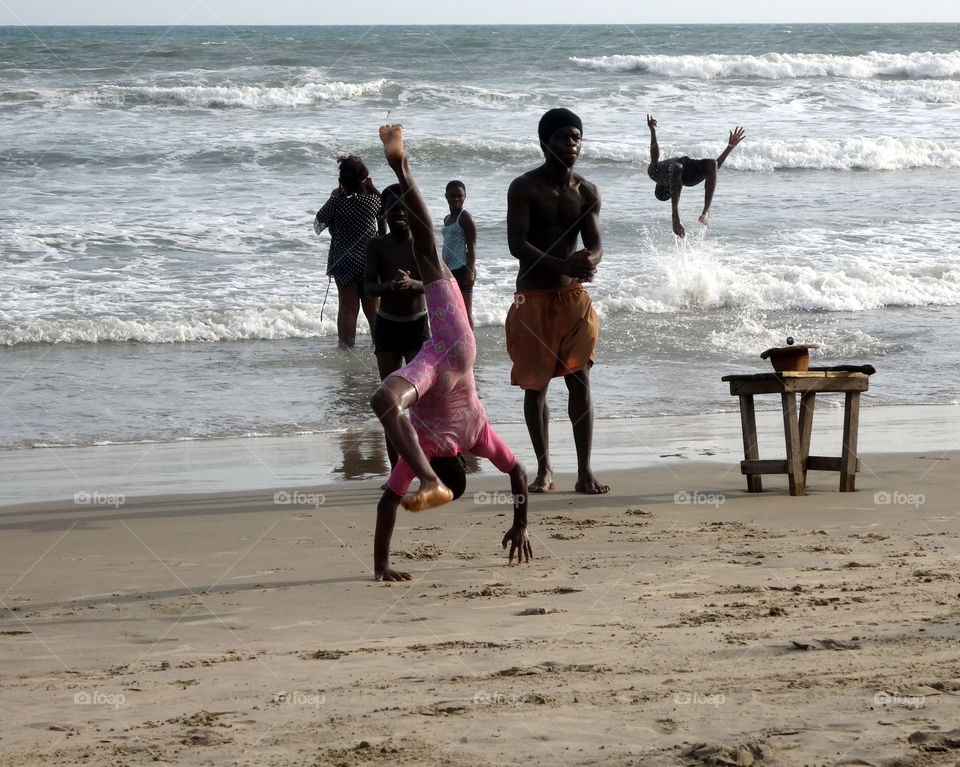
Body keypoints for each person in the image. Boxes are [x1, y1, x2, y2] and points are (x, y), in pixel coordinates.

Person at [370, 124, 531, 582]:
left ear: (460, 461)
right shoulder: (420, 449)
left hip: (455, 349)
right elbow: (387, 503)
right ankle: (402, 168)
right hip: (441, 358)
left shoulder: (477, 436)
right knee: (383, 402)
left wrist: (521, 522)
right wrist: (381, 566)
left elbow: (518, 473)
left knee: (427, 254)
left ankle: (403, 168)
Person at [505, 107, 608, 496]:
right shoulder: (524, 187)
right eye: (563, 137)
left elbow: (596, 243)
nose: (571, 144)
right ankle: (544, 468)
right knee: (536, 386)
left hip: (572, 299)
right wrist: (562, 263)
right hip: (532, 298)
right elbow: (518, 244)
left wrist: (589, 262)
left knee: (580, 381)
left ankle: (585, 471)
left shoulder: (586, 192)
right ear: (544, 142)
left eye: (576, 137)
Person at [364, 183, 428, 469]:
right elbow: (369, 287)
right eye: (393, 208)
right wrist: (389, 285)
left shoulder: (422, 243)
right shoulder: (377, 245)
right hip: (388, 327)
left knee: (421, 401)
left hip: (417, 327)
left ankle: (427, 465)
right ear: (384, 212)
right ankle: (396, 470)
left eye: (404, 208)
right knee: (391, 402)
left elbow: (439, 283)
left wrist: (413, 283)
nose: (399, 213)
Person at [314, 155, 385, 348]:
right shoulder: (373, 201)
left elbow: (318, 225)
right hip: (370, 261)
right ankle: (381, 348)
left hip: (343, 261)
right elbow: (386, 216)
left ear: (342, 181)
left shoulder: (336, 202)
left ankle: (346, 350)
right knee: (373, 309)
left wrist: (333, 197)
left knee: (347, 309)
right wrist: (374, 189)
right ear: (364, 179)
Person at [645, 114, 745, 238]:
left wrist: (652, 132)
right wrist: (730, 147)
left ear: (661, 185)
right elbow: (713, 168)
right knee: (708, 165)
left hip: (683, 167)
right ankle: (676, 218)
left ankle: (705, 211)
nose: (674, 188)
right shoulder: (679, 178)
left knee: (696, 166)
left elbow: (654, 157)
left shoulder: (655, 173)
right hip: (684, 171)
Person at [441, 180, 477, 328]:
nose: (456, 199)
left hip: (463, 268)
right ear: (446, 196)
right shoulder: (447, 218)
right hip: (449, 270)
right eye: (452, 195)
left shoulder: (465, 217)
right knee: (453, 311)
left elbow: (472, 246)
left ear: (465, 196)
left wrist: (470, 271)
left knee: (465, 313)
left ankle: (471, 341)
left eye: (459, 196)